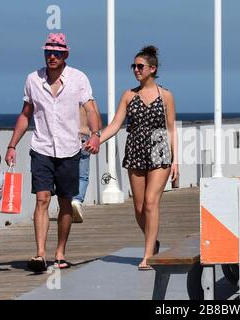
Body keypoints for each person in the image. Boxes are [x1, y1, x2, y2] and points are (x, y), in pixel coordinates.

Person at [4, 33, 101, 272]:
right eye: (48, 52)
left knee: (66, 203)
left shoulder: (78, 79)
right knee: (42, 198)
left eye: (57, 52)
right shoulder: (33, 79)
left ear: (65, 54)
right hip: (42, 148)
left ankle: (60, 252)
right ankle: (40, 254)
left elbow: (90, 109)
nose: (52, 56)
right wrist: (12, 145)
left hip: (69, 149)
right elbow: (26, 114)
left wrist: (96, 134)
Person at [90, 45, 179, 271]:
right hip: (136, 149)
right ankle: (154, 242)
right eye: (134, 66)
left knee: (151, 202)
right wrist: (96, 139)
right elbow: (115, 125)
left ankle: (148, 255)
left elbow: (171, 129)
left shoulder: (166, 95)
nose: (136, 70)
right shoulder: (129, 95)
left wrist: (175, 160)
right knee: (139, 208)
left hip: (160, 149)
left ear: (152, 69)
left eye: (140, 66)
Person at [71, 101, 102, 223]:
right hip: (84, 138)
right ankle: (77, 200)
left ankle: (67, 204)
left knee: (66, 173)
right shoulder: (89, 101)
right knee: (82, 176)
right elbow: (98, 123)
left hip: (68, 140)